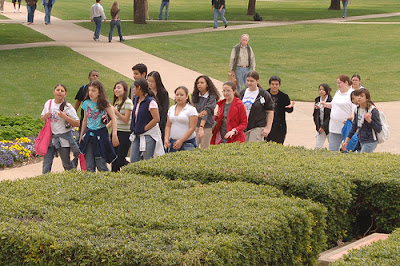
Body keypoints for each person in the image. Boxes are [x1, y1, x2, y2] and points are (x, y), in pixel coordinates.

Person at [79, 80, 119, 172]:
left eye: (93, 90)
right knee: (89, 165)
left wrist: (114, 134)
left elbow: (114, 118)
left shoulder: (105, 103)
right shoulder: (86, 103)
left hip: (101, 135)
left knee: (101, 164)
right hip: (89, 136)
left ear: (99, 92)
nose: (90, 93)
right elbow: (85, 120)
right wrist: (81, 135)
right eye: (89, 90)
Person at [41, 84, 80, 174]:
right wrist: (46, 116)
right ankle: (44, 182)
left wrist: (65, 117)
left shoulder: (67, 107)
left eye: (62, 91)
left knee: (66, 164)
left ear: (65, 94)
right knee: (46, 163)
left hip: (64, 138)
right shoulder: (49, 103)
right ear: (54, 92)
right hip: (50, 137)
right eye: (58, 90)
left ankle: (72, 179)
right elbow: (42, 118)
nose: (59, 92)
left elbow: (77, 123)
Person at [130, 78, 164, 162]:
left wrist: (144, 128)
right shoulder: (137, 100)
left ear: (139, 88)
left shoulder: (151, 102)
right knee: (133, 159)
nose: (133, 90)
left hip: (149, 135)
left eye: (134, 88)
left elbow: (156, 119)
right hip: (137, 134)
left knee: (147, 160)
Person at [342, 88, 382, 153]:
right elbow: (354, 127)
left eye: (362, 96)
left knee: (362, 158)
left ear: (367, 98)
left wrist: (370, 121)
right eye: (358, 96)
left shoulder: (372, 110)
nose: (359, 98)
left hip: (370, 141)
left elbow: (379, 128)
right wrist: (346, 141)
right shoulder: (357, 109)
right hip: (361, 140)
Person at [240, 71, 274, 142]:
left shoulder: (263, 94)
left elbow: (270, 111)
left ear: (257, 81)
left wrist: (268, 128)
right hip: (244, 126)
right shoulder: (243, 93)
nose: (249, 83)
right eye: (247, 81)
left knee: (252, 147)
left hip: (257, 126)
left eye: (252, 81)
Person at [324, 74, 355, 151]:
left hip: (346, 127)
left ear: (346, 82)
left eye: (340, 83)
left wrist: (350, 118)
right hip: (334, 126)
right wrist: (326, 105)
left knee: (348, 149)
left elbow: (355, 109)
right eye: (337, 83)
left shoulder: (353, 93)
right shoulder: (338, 92)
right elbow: (334, 105)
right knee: (332, 150)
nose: (338, 85)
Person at [107, 81, 133, 172]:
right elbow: (114, 120)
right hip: (115, 133)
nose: (116, 90)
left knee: (120, 160)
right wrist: (105, 128)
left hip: (125, 134)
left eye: (119, 88)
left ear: (124, 90)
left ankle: (135, 168)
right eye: (115, 88)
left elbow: (126, 120)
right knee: (114, 160)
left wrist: (115, 111)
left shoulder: (128, 102)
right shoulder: (116, 102)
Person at [165, 86, 198, 152]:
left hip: (187, 143)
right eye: (177, 95)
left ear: (187, 96)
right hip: (173, 142)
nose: (179, 97)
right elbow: (168, 125)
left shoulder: (191, 109)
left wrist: (181, 140)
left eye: (181, 95)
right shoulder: (172, 108)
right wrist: (166, 138)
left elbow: (192, 128)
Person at [192, 75, 220, 149]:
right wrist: (197, 114)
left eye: (202, 83)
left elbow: (206, 111)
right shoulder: (194, 96)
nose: (199, 85)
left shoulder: (212, 97)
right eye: (198, 83)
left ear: (207, 84)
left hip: (207, 127)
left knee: (205, 148)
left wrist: (201, 127)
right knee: (193, 148)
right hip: (195, 126)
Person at [266, 76, 295, 144]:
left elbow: (289, 110)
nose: (274, 86)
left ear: (280, 85)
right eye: (273, 84)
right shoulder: (265, 94)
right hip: (266, 124)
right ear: (269, 84)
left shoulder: (284, 96)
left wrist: (290, 107)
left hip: (280, 126)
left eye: (276, 84)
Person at [147, 71, 169, 143]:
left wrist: (161, 123)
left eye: (152, 81)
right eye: (148, 81)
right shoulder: (147, 92)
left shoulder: (163, 93)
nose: (150, 83)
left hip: (160, 123)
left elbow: (165, 109)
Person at [313, 83, 333, 149]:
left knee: (333, 146)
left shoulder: (331, 100)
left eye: (323, 90)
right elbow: (315, 114)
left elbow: (330, 116)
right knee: (318, 146)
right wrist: (318, 126)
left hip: (329, 127)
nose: (321, 91)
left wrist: (324, 127)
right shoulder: (317, 100)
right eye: (320, 89)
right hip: (320, 127)